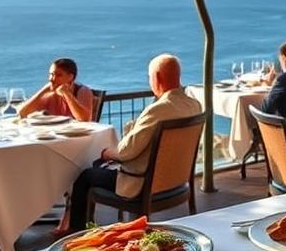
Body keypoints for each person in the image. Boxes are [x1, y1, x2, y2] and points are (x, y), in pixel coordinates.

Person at [67, 54, 201, 232]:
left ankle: (76, 233)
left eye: (149, 77)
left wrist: (107, 153)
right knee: (100, 168)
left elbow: (126, 152)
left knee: (85, 176)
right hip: (176, 182)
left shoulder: (158, 110)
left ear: (157, 77)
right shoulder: (194, 105)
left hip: (141, 185)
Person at [18, 58, 94, 121]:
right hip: (54, 132)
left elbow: (84, 119)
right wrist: (43, 90)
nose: (51, 79)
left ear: (70, 77)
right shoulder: (50, 93)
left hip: (78, 134)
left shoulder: (82, 91)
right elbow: (23, 113)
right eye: (51, 74)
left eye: (58, 75)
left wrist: (67, 94)